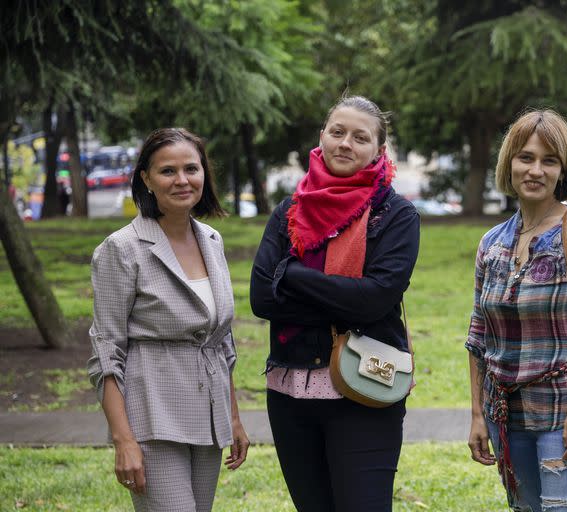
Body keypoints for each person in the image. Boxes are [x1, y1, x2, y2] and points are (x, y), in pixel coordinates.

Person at [250, 95, 420, 512]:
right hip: (289, 393)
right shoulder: (289, 211)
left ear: (379, 150)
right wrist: (341, 296)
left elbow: (374, 301)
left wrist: (290, 274)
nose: (346, 143)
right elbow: (261, 298)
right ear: (322, 136)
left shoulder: (395, 216)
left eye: (360, 137)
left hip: (364, 390)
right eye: (337, 132)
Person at [87, 128, 249, 512]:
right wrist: (123, 440)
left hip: (209, 415)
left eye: (191, 168)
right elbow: (106, 351)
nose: (182, 180)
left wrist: (234, 419)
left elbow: (221, 341)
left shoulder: (211, 240)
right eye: (167, 171)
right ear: (146, 178)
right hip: (151, 412)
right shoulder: (121, 249)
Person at [465, 110, 567, 512]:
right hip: (505, 417)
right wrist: (477, 415)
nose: (535, 170)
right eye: (526, 157)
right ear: (509, 163)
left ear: (563, 171)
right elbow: (478, 335)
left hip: (563, 412)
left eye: (549, 161)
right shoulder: (492, 243)